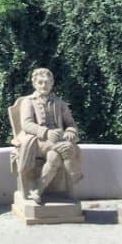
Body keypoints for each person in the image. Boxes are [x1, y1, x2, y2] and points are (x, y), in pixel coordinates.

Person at [12, 67, 82, 204]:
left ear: (52, 84)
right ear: (34, 84)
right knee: (66, 148)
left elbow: (71, 124)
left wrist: (70, 132)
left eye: (47, 82)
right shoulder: (29, 101)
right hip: (38, 141)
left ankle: (37, 190)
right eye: (40, 82)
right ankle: (75, 174)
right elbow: (26, 124)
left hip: (57, 142)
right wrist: (46, 132)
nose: (44, 85)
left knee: (54, 156)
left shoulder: (59, 103)